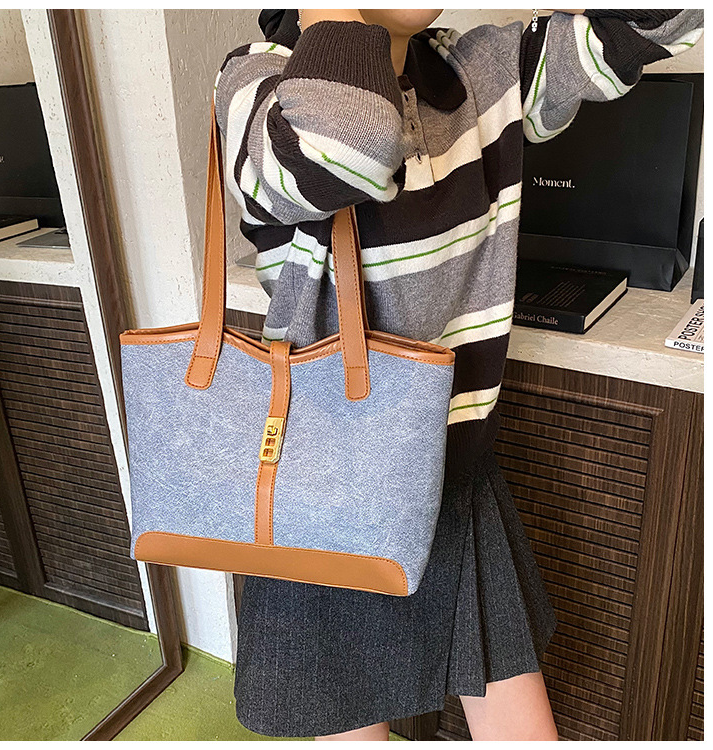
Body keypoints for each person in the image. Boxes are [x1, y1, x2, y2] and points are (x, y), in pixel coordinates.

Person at [213, 8, 703, 741]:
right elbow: (343, 147)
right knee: (356, 732)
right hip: (329, 496)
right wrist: (327, 18)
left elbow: (655, 22)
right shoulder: (261, 81)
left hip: (454, 478)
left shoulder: (479, 71)